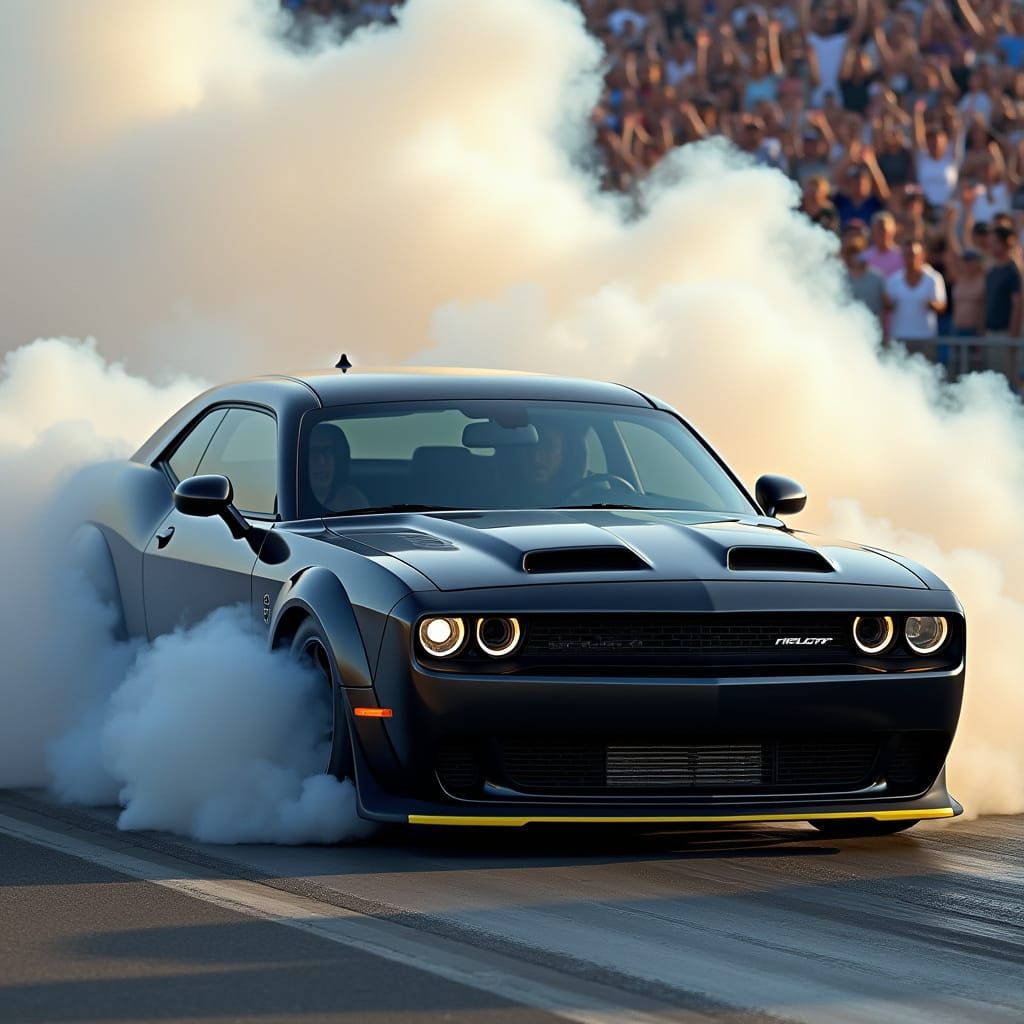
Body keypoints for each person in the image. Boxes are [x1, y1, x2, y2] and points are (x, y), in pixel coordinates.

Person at [884, 240, 948, 353]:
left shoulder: (933, 278)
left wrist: (932, 304)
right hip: (900, 338)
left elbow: (942, 306)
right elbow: (888, 306)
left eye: (913, 255)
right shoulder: (893, 280)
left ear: (922, 256)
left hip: (925, 338)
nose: (911, 259)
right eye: (907, 255)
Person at [307, 422, 367, 512]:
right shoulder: (288, 501)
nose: (321, 461)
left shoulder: (352, 498)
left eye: (328, 451)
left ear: (338, 459)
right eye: (313, 452)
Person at [843, 232, 885, 321]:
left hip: (872, 329)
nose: (854, 257)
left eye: (857, 252)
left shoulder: (877, 277)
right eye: (851, 253)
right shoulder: (842, 278)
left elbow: (883, 308)